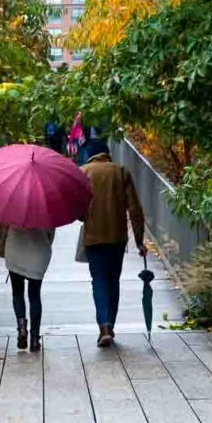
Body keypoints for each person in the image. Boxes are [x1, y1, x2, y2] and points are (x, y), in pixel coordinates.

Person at [80, 140, 147, 347]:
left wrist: (87, 215)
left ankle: (104, 326)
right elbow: (135, 209)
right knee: (113, 281)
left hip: (93, 238)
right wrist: (139, 240)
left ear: (89, 154)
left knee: (98, 280)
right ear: (107, 154)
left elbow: (78, 212)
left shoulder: (83, 173)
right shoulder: (121, 171)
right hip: (117, 238)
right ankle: (110, 325)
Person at [5, 226, 55, 351]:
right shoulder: (47, 208)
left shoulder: (13, 206)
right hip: (38, 253)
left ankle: (22, 328)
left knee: (17, 293)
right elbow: (50, 234)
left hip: (15, 251)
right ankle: (34, 339)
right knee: (34, 295)